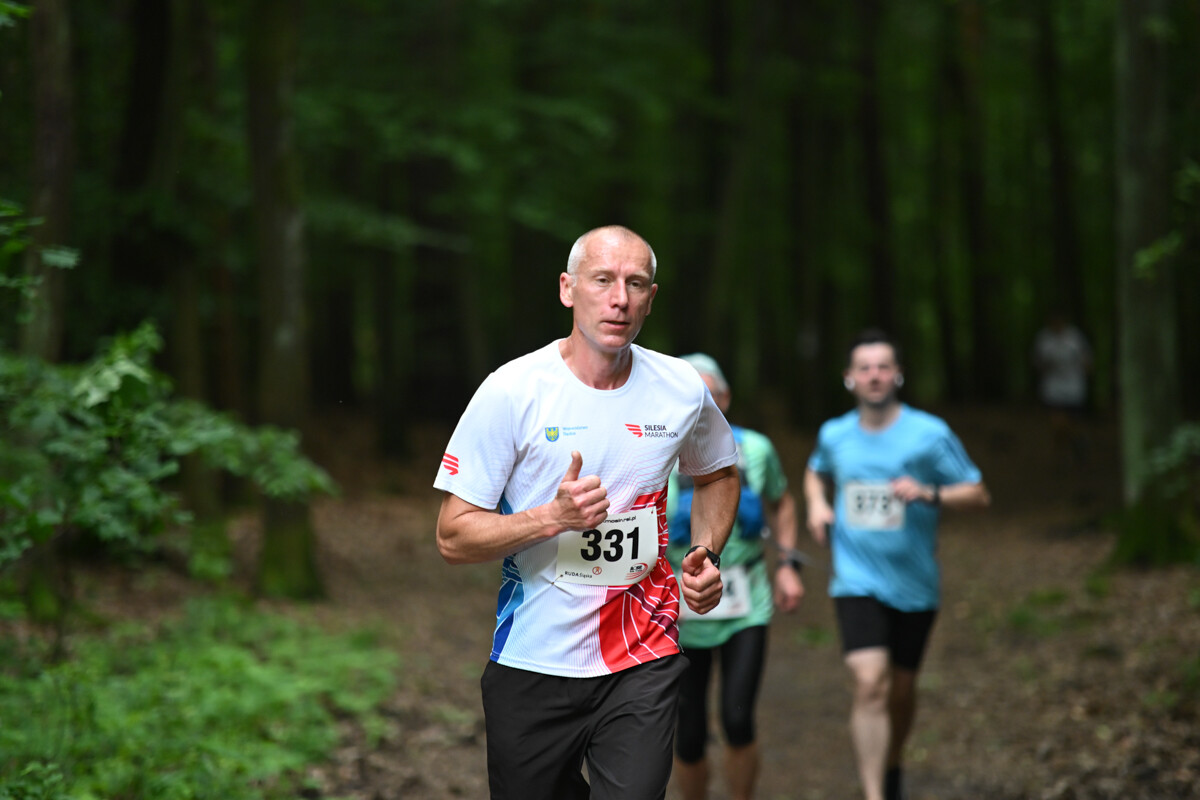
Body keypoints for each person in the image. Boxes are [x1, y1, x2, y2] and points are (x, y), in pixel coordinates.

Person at [433, 225, 742, 800]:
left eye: (635, 283)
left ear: (652, 296)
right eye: (602, 280)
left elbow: (719, 472)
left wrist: (704, 551)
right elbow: (453, 537)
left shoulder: (680, 386)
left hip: (642, 653)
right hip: (533, 658)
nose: (619, 298)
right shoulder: (512, 390)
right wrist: (553, 516)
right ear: (567, 289)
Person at [803, 329, 990, 800]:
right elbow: (814, 470)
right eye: (864, 367)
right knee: (870, 684)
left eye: (883, 366)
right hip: (855, 579)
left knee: (901, 692)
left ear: (899, 374)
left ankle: (891, 764)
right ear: (849, 378)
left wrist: (929, 492)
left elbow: (978, 493)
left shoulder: (929, 434)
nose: (874, 375)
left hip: (915, 583)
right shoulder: (834, 434)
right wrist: (816, 505)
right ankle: (874, 793)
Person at [665, 353, 805, 800]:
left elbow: (782, 502)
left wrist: (788, 565)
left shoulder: (757, 450)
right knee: (687, 734)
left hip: (746, 604)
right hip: (677, 609)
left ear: (724, 398)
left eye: (711, 393)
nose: (702, 403)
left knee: (738, 720)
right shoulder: (654, 453)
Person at [1032, 311, 1093, 463]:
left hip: (1074, 388)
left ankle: (1070, 448)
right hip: (1053, 388)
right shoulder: (1044, 339)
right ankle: (1059, 455)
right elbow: (1037, 363)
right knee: (1057, 423)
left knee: (1072, 423)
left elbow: (1087, 360)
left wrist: (1085, 370)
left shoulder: (1074, 337)